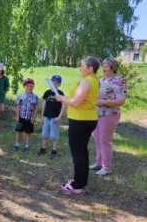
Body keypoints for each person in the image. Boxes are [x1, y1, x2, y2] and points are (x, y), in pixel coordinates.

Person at [55, 56, 100, 194]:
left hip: (80, 120)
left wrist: (61, 98)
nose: (80, 68)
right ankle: (81, 181)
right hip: (88, 119)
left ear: (90, 68)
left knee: (77, 152)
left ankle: (77, 185)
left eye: (82, 65)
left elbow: (76, 102)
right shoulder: (94, 81)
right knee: (82, 151)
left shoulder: (87, 82)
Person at [91, 57, 127, 176]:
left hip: (109, 115)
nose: (103, 68)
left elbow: (121, 101)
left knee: (105, 141)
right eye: (103, 66)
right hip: (97, 114)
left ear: (113, 68)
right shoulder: (102, 80)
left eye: (106, 66)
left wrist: (102, 102)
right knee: (97, 139)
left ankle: (106, 168)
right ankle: (99, 163)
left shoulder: (118, 81)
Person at [38, 75, 66, 159]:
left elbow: (64, 106)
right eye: (52, 82)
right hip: (46, 117)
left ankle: (54, 151)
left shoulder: (60, 93)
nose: (54, 83)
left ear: (59, 84)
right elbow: (44, 104)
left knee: (54, 135)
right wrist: (42, 116)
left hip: (55, 118)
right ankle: (43, 148)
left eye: (56, 82)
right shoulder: (47, 92)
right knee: (44, 134)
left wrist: (59, 117)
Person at [11, 78, 39, 153]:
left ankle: (27, 146)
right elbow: (18, 106)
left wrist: (34, 117)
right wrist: (17, 116)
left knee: (28, 132)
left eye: (31, 86)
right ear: (24, 87)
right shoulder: (21, 96)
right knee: (19, 131)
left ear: (33, 86)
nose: (30, 87)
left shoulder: (35, 97)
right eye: (28, 86)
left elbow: (36, 108)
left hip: (30, 118)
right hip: (21, 117)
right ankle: (17, 144)